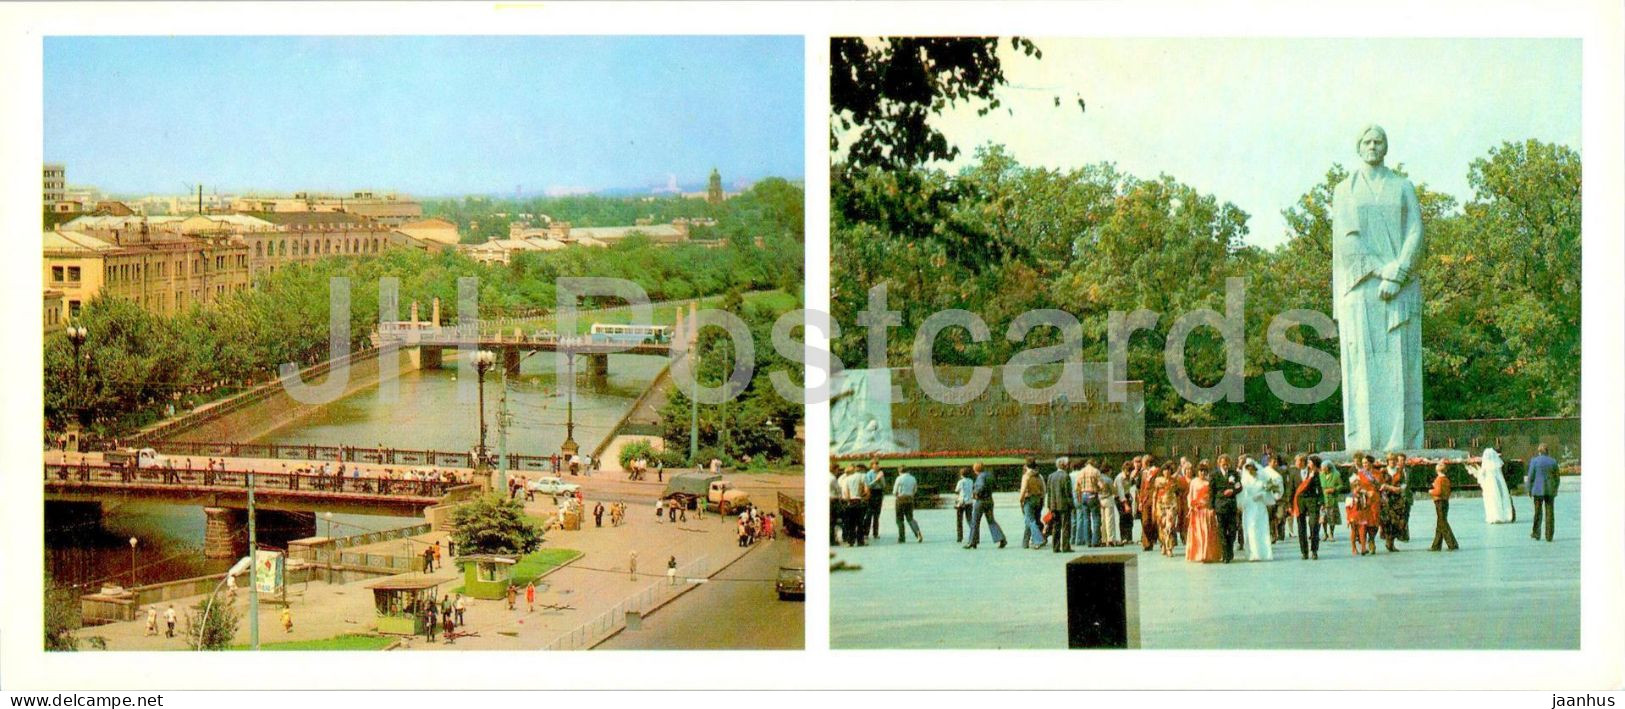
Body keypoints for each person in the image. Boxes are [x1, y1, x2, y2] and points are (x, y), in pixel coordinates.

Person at [1331, 124, 1426, 453]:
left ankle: (1403, 442)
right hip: (1361, 288)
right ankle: (1364, 444)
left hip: (1399, 289)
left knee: (1402, 365)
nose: (1373, 146)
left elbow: (1415, 231)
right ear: (1359, 147)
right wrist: (1382, 269)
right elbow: (1347, 239)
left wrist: (1398, 272)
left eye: (1379, 142)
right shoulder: (1345, 189)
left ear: (1386, 148)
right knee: (1363, 369)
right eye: (1367, 142)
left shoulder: (1402, 187)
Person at [1466, 448, 1515, 524]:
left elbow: (1481, 475)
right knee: (1499, 499)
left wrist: (1471, 468)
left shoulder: (1486, 466)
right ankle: (1504, 515)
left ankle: (1494, 516)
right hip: (1497, 486)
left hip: (1489, 487)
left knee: (1491, 501)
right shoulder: (1496, 466)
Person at [1185, 462, 1222, 563]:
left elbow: (1212, 497)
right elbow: (1190, 495)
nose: (1202, 473)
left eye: (1204, 471)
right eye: (1200, 471)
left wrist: (1212, 508)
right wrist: (1190, 507)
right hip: (1197, 510)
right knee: (1198, 533)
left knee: (1207, 532)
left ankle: (1207, 554)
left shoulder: (1209, 482)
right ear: (1197, 472)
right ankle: (1199, 554)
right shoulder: (1193, 482)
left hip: (1206, 510)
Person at [966, 462, 1006, 550]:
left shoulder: (980, 476)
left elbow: (981, 486)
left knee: (975, 522)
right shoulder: (989, 475)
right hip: (989, 500)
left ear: (975, 469)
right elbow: (995, 486)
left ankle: (972, 541)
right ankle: (1001, 538)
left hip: (981, 501)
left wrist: (975, 493)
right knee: (991, 521)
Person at [1239, 462, 1274, 561]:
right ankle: (1253, 553)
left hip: (1260, 506)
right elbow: (1242, 494)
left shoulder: (1262, 479)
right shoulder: (1245, 480)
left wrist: (1262, 494)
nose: (1250, 471)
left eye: (1252, 469)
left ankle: (1263, 552)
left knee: (1261, 529)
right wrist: (1242, 504)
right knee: (1251, 528)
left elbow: (1268, 491)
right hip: (1249, 506)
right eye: (1248, 470)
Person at [1210, 456, 1242, 563]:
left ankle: (1230, 548)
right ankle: (1225, 553)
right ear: (1219, 463)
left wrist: (1232, 491)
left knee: (1232, 530)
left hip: (1231, 506)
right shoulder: (1214, 474)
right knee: (1222, 531)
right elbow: (1211, 492)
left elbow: (1239, 487)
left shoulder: (1234, 473)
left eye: (1227, 462)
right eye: (1223, 463)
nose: (1225, 464)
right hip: (1220, 505)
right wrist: (1212, 507)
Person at [1526, 444, 1560, 542]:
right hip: (1550, 491)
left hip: (1537, 490)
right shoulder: (1553, 461)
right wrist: (1555, 488)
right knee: (1550, 513)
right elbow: (1557, 478)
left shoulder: (1534, 461)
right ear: (1547, 451)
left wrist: (1529, 489)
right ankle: (1549, 535)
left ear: (1539, 451)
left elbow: (1531, 476)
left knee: (1538, 512)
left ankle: (1536, 533)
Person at [1293, 455, 1325, 560]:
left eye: (1297, 461)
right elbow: (1291, 489)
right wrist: (1289, 504)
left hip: (1312, 500)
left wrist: (1321, 501)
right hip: (1300, 502)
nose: (1295, 463)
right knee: (1301, 528)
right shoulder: (1294, 473)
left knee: (1314, 525)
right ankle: (1304, 552)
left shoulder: (1313, 473)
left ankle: (1314, 551)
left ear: (1302, 462)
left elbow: (1319, 487)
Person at [1045, 457, 1075, 553]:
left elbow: (1049, 492)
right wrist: (1072, 504)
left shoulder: (1051, 476)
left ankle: (1056, 547)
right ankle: (1066, 547)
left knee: (1055, 526)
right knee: (1066, 526)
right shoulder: (1066, 476)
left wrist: (1049, 505)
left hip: (1054, 505)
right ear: (1064, 465)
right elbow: (1068, 493)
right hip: (1064, 505)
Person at [1429, 462, 1459, 552]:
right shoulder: (1446, 479)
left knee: (1443, 523)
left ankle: (1452, 544)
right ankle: (1436, 545)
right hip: (1445, 501)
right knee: (1440, 523)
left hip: (1439, 501)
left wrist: (1431, 491)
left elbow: (1438, 492)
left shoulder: (1439, 479)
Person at [1019, 459, 1048, 549]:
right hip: (1038, 499)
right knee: (1032, 520)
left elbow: (1023, 490)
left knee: (1030, 521)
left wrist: (1021, 500)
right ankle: (1025, 542)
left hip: (1029, 499)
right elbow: (1044, 489)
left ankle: (1038, 540)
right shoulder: (1039, 476)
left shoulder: (1026, 476)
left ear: (1027, 466)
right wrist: (1042, 500)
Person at [893, 467, 923, 543]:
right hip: (909, 499)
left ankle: (902, 537)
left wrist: (897, 495)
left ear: (900, 471)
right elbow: (915, 490)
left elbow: (894, 491)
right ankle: (917, 533)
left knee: (899, 519)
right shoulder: (913, 478)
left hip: (900, 499)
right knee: (910, 518)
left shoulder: (899, 478)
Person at [1154, 467, 1179, 556]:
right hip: (1160, 506)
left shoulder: (1174, 481)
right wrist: (1154, 507)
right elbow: (1155, 494)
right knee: (1161, 527)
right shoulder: (1158, 480)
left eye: (1169, 470)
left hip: (1171, 506)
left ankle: (1169, 548)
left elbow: (1177, 494)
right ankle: (1163, 544)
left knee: (1169, 527)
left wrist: (1177, 507)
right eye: (1165, 470)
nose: (1167, 472)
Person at [1096, 460, 1120, 547]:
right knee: (1109, 520)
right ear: (1108, 470)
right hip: (1108, 499)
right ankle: (1111, 539)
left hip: (1099, 499)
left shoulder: (1098, 478)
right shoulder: (1108, 479)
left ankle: (1103, 539)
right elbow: (1114, 491)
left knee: (1102, 520)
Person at [1319, 459, 1344, 541]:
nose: (1322, 469)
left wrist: (1334, 489)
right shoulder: (1321, 475)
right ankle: (1325, 533)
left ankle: (1331, 533)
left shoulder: (1336, 475)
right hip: (1323, 500)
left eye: (1324, 468)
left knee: (1332, 517)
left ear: (1328, 467)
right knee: (1323, 518)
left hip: (1332, 499)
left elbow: (1341, 485)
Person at [864, 458, 886, 541]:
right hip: (871, 493)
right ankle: (866, 533)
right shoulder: (868, 474)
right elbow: (868, 485)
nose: (877, 466)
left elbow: (883, 485)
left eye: (878, 464)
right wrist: (876, 479)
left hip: (879, 493)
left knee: (877, 515)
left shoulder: (880, 473)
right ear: (871, 465)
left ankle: (875, 533)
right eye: (875, 464)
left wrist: (880, 479)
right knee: (869, 514)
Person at [1115, 462, 1136, 544]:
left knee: (1129, 518)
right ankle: (1123, 538)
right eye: (1127, 471)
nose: (1128, 473)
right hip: (1119, 498)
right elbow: (1120, 492)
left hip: (1127, 496)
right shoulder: (1119, 478)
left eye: (1130, 471)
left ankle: (1129, 537)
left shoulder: (1130, 477)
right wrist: (1125, 505)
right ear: (1123, 469)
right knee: (1123, 517)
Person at [953, 468, 975, 544]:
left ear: (961, 474)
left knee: (959, 521)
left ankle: (959, 537)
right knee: (969, 519)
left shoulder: (960, 482)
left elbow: (956, 491)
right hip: (969, 502)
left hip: (961, 503)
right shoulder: (971, 481)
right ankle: (974, 534)